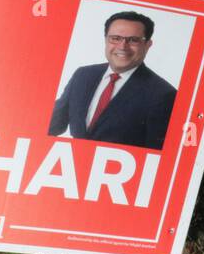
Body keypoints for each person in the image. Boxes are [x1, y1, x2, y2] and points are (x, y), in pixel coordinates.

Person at [48, 11, 177, 151]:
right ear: (105, 39)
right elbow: (53, 124)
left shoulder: (163, 94)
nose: (122, 47)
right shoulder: (83, 75)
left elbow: (157, 155)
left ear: (147, 45)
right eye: (115, 38)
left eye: (133, 40)